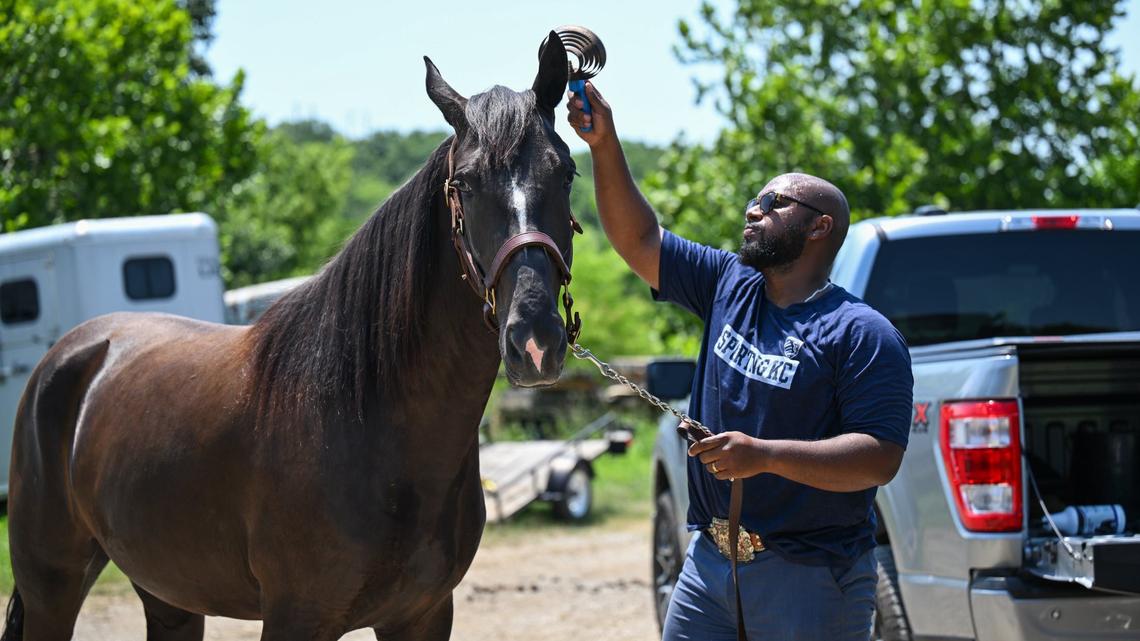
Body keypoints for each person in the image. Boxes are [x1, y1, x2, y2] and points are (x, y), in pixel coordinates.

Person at [566, 82, 914, 641]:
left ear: (819, 226)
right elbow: (640, 239)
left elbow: (879, 458)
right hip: (709, 566)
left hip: (810, 578)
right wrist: (603, 144)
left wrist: (764, 456)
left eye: (775, 203)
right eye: (756, 198)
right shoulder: (730, 283)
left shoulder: (862, 333)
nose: (754, 209)